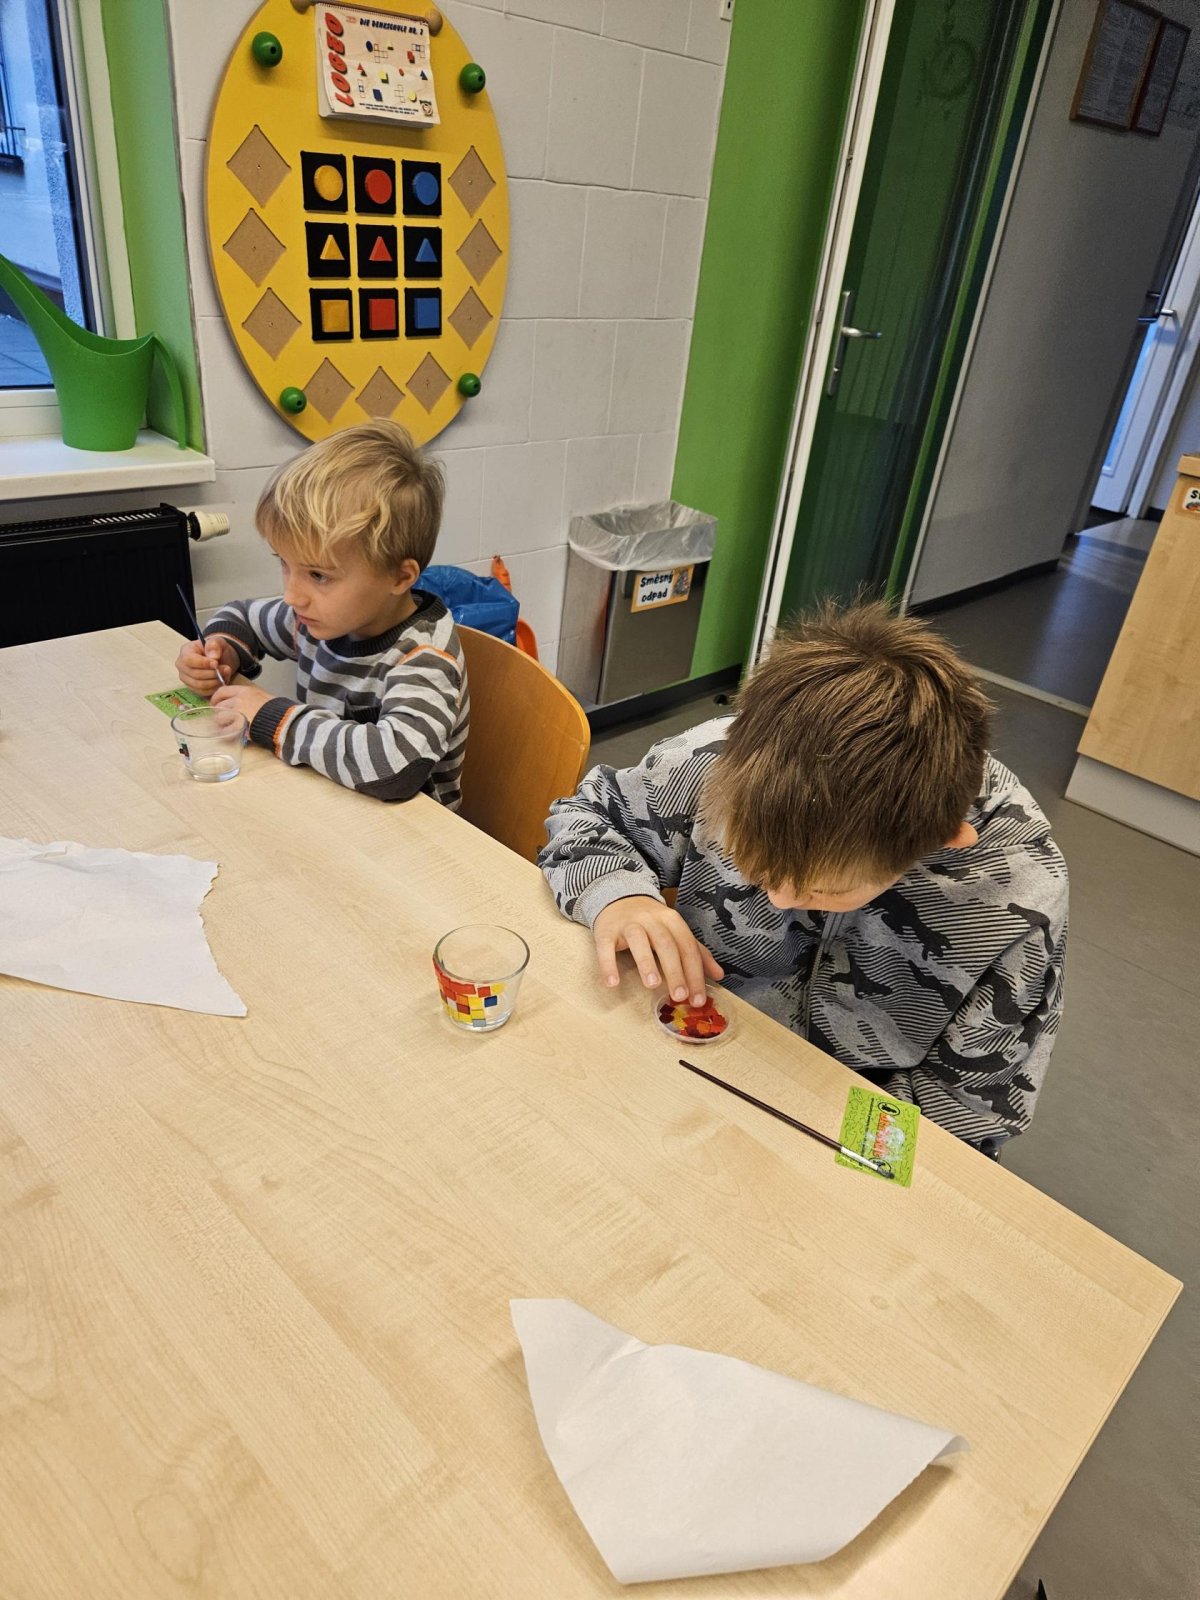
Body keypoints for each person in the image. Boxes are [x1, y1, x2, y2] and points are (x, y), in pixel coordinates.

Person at [539, 602, 1068, 1154]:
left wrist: (800, 1133)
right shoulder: (715, 760)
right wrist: (621, 898)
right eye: (751, 864)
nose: (778, 897)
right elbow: (590, 814)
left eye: (825, 890)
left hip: (842, 1117)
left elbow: (967, 1112)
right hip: (692, 1055)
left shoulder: (1020, 892)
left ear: (940, 842)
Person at [175, 420, 468, 806]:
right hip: (329, 801)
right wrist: (222, 650)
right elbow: (243, 618)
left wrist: (273, 717)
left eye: (318, 575)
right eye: (285, 563)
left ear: (399, 577)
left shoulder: (424, 659)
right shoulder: (315, 618)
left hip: (406, 833)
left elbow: (396, 768)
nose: (292, 595)